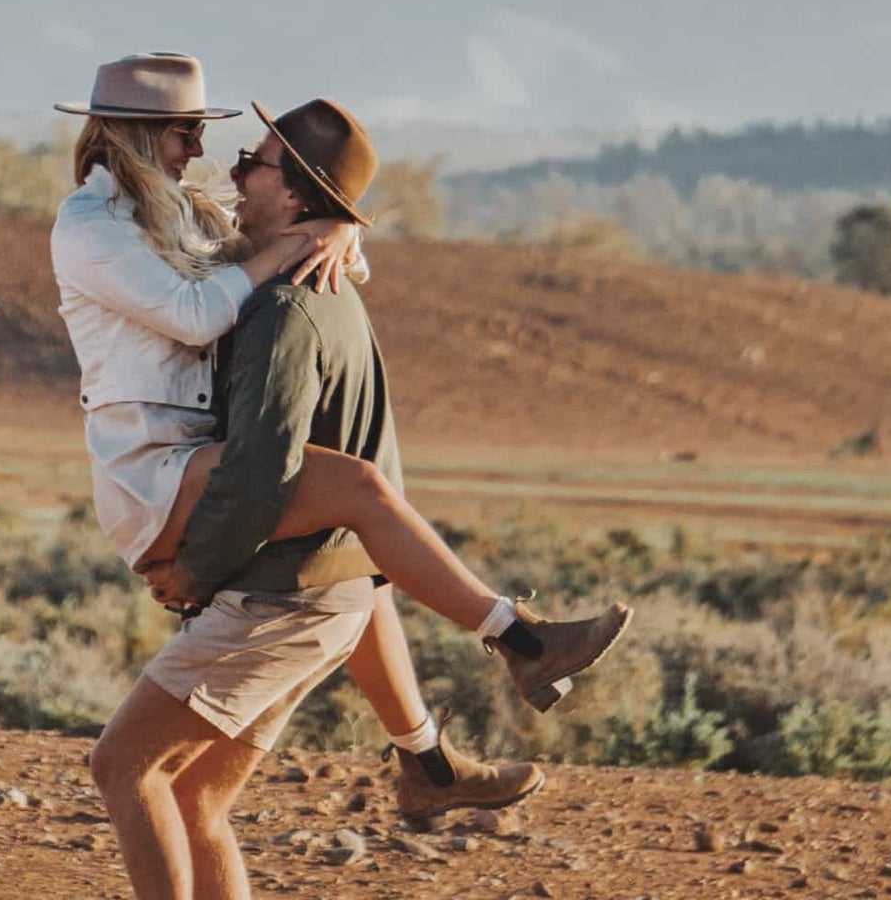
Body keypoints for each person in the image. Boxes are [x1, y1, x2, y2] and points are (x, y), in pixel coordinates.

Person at [50, 55, 629, 847]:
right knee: (356, 494)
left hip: (192, 459)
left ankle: (432, 756)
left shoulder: (178, 212)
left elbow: (316, 246)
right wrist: (289, 240)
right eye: (189, 133)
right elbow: (190, 314)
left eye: (229, 148)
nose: (205, 154)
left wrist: (333, 225)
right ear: (140, 135)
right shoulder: (89, 228)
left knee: (357, 550)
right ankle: (518, 641)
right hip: (152, 472)